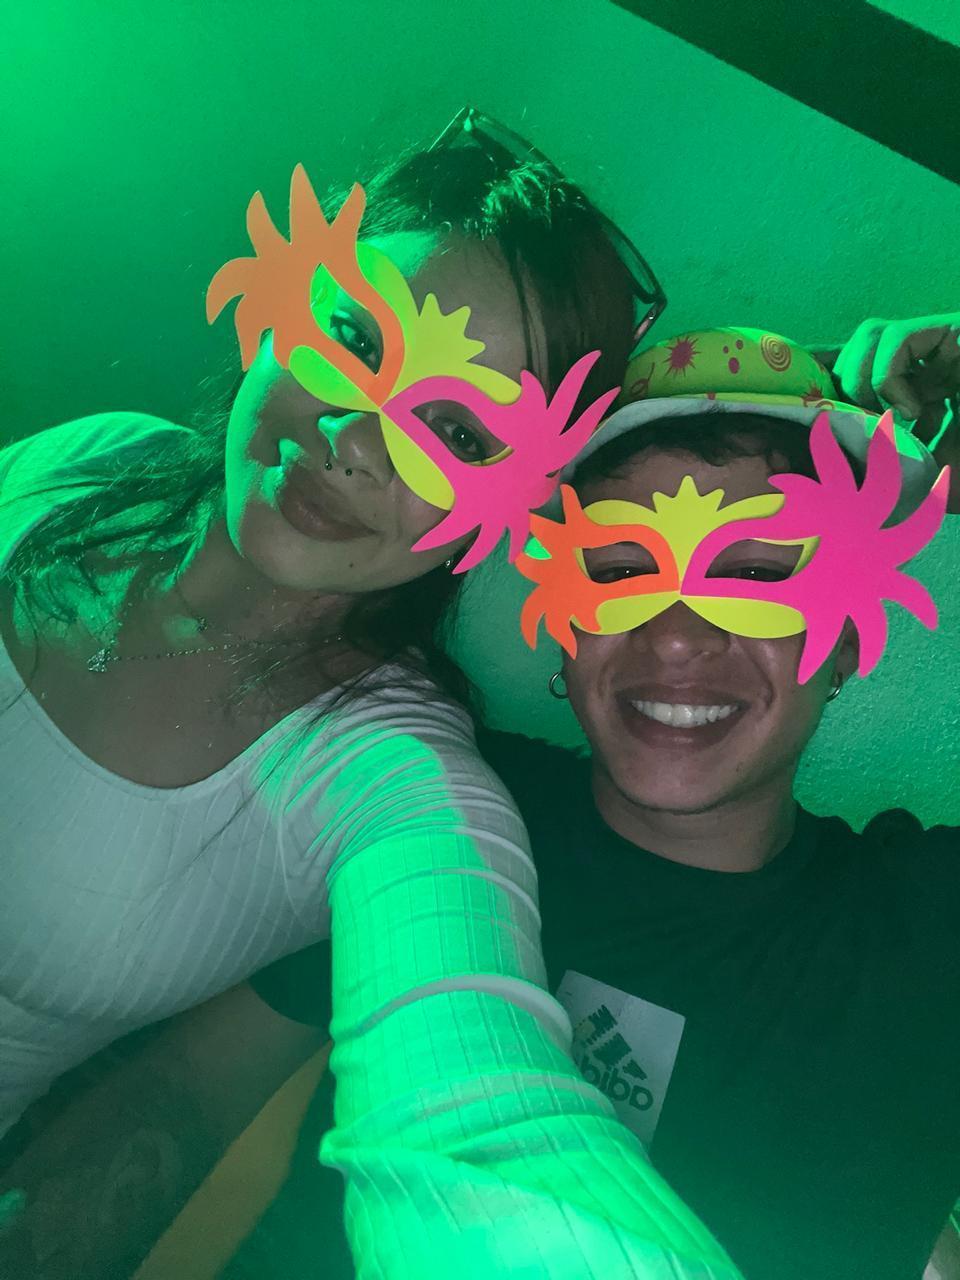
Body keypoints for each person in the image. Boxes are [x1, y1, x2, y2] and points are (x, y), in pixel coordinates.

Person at [0, 110, 746, 1280]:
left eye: (456, 428)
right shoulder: (94, 459)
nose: (355, 437)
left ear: (519, 497)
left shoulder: (390, 779)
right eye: (353, 337)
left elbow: (478, 1113)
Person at [159, 320, 958, 1280]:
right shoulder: (421, 801)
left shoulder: (928, 929)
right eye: (619, 570)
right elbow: (180, 1097)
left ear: (847, 643)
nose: (675, 636)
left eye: (754, 573)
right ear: (564, 623)